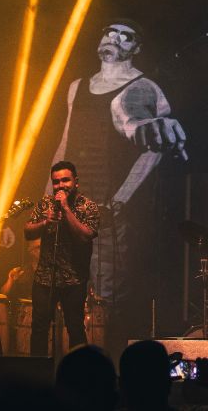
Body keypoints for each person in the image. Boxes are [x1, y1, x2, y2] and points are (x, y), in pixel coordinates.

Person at [49, 18, 186, 312]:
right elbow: (65, 140)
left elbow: (156, 149)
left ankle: (106, 349)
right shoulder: (77, 86)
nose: (114, 39)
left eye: (125, 36)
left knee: (105, 290)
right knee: (67, 287)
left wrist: (119, 201)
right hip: (71, 201)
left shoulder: (143, 87)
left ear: (136, 47)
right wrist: (49, 194)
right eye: (110, 32)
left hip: (106, 205)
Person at [24, 161, 100, 355]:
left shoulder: (88, 206)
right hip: (45, 278)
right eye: (56, 182)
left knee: (75, 328)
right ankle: (38, 375)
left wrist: (66, 209)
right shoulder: (45, 204)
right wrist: (44, 222)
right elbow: (27, 231)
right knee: (39, 327)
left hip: (74, 279)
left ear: (76, 181)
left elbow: (85, 236)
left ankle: (78, 375)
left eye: (65, 180)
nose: (60, 185)